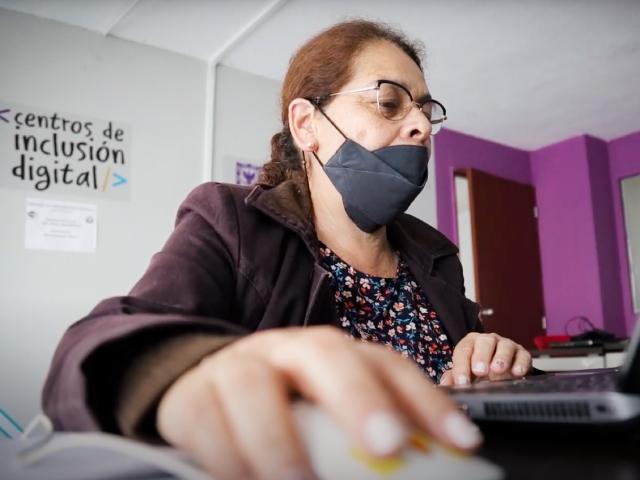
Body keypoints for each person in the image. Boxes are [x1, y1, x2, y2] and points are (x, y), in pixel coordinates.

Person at [42, 19, 532, 480]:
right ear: (306, 125)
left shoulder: (437, 253)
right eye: (388, 103)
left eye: (426, 111)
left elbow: (475, 373)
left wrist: (494, 357)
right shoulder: (230, 220)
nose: (421, 127)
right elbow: (95, 344)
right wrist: (179, 373)